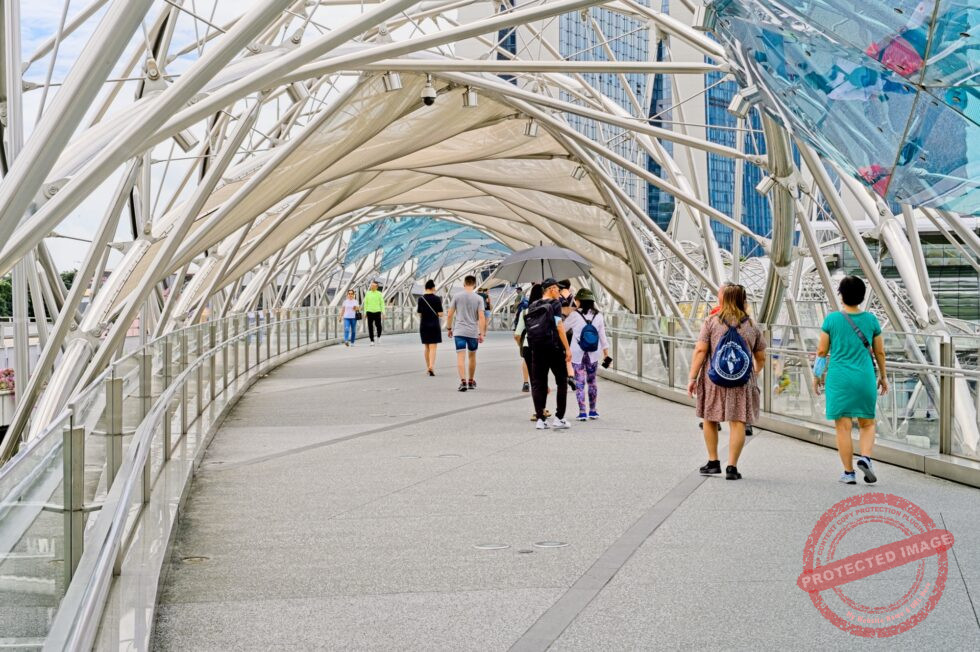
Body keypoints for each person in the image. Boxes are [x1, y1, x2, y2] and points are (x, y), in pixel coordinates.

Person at [813, 276, 888, 485]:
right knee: (867, 423)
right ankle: (865, 457)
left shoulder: (832, 320)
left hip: (839, 378)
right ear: (862, 296)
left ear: (841, 295)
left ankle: (848, 473)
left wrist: (816, 375)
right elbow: (880, 352)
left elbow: (821, 351)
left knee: (843, 427)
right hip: (864, 377)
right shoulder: (872, 320)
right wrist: (883, 377)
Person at [687, 284, 766, 480]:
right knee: (738, 421)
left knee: (709, 418)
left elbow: (700, 351)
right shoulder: (752, 326)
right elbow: (761, 357)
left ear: (723, 299)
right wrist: (752, 373)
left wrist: (692, 377)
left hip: (713, 379)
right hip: (741, 381)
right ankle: (732, 466)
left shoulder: (711, 322)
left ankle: (713, 462)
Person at [526, 278, 573, 430]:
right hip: (554, 348)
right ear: (551, 289)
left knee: (539, 384)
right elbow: (559, 327)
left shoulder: (532, 304)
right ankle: (559, 418)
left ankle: (541, 419)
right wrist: (567, 348)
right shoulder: (555, 304)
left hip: (537, 348)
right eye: (557, 289)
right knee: (561, 382)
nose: (559, 292)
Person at [563, 288, 610, 421]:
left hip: (577, 353)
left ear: (580, 301)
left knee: (579, 382)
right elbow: (602, 337)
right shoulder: (599, 316)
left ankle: (582, 412)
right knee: (592, 381)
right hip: (593, 353)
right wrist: (606, 354)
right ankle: (593, 411)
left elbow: (563, 328)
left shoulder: (575, 315)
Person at [446, 275, 487, 392]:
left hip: (459, 331)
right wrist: (482, 333)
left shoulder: (457, 296)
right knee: (472, 356)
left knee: (460, 356)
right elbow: (481, 316)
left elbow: (450, 314)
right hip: (473, 332)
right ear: (474, 284)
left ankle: (463, 381)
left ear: (464, 284)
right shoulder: (479, 298)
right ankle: (471, 381)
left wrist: (449, 328)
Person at [417, 280, 444, 376]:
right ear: (433, 288)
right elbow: (440, 314)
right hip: (434, 324)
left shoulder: (421, 299)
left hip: (424, 324)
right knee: (433, 347)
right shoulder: (437, 299)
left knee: (426, 347)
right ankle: (432, 366)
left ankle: (428, 366)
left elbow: (419, 313)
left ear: (425, 288)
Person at [363, 281, 385, 345]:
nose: (372, 287)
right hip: (369, 311)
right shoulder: (368, 293)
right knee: (370, 326)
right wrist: (365, 312)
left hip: (377, 311)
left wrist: (383, 312)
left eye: (373, 286)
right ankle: (372, 340)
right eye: (371, 285)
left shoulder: (379, 293)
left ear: (376, 287)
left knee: (378, 325)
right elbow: (365, 303)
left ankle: (378, 336)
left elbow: (382, 303)